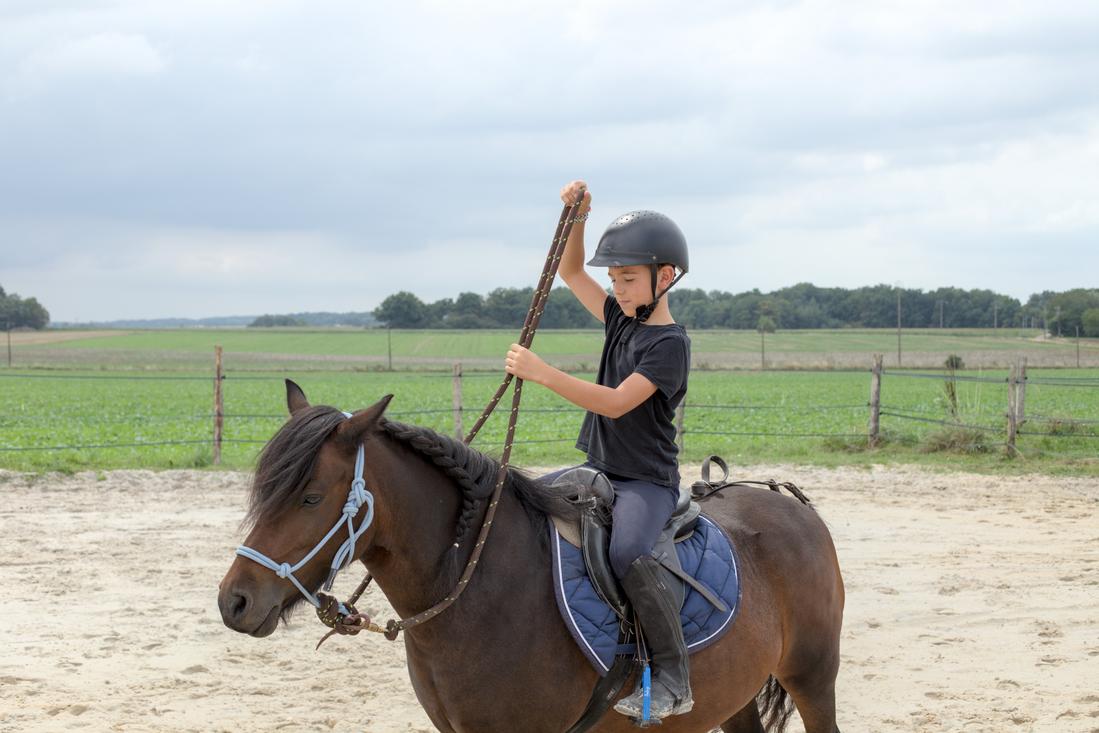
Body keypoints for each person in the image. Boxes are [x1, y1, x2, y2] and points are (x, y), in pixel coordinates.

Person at [504, 180, 693, 720]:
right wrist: (579, 216)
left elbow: (614, 403)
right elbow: (570, 272)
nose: (618, 288)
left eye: (628, 278)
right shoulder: (618, 317)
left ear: (665, 277)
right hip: (599, 470)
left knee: (628, 552)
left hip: (645, 483)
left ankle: (675, 679)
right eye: (615, 278)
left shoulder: (669, 345)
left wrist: (542, 373)